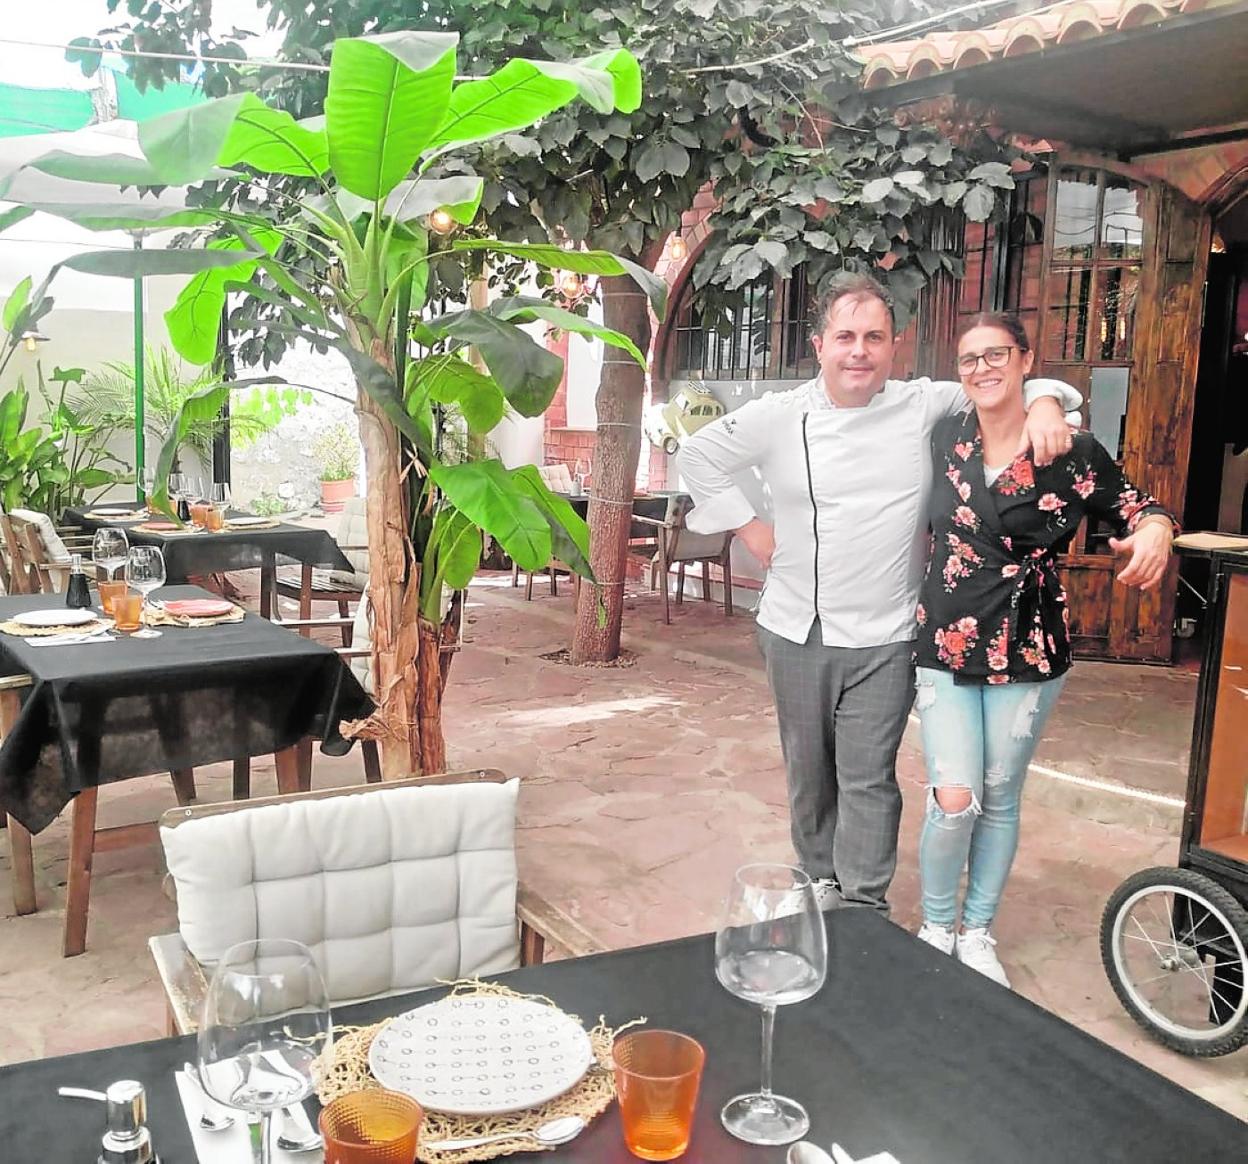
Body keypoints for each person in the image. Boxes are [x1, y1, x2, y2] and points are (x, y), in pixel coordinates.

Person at [676, 273, 1082, 914]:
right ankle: (817, 883)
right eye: (845, 337)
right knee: (810, 776)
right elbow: (695, 455)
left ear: (896, 347)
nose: (858, 351)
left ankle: (863, 907)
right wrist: (751, 528)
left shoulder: (924, 403)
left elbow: (1008, 385)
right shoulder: (781, 415)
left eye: (874, 337)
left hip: (889, 633)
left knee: (867, 777)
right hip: (796, 628)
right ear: (819, 346)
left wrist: (1048, 405)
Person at [913, 312, 1174, 986]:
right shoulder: (946, 435)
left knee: (1000, 797)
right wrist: (1050, 394)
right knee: (954, 797)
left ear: (1025, 359)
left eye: (996, 355)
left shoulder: (1073, 452)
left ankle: (976, 932)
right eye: (968, 359)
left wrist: (1156, 534)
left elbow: (1140, 508)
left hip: (1029, 645)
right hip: (945, 640)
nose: (981, 369)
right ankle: (935, 924)